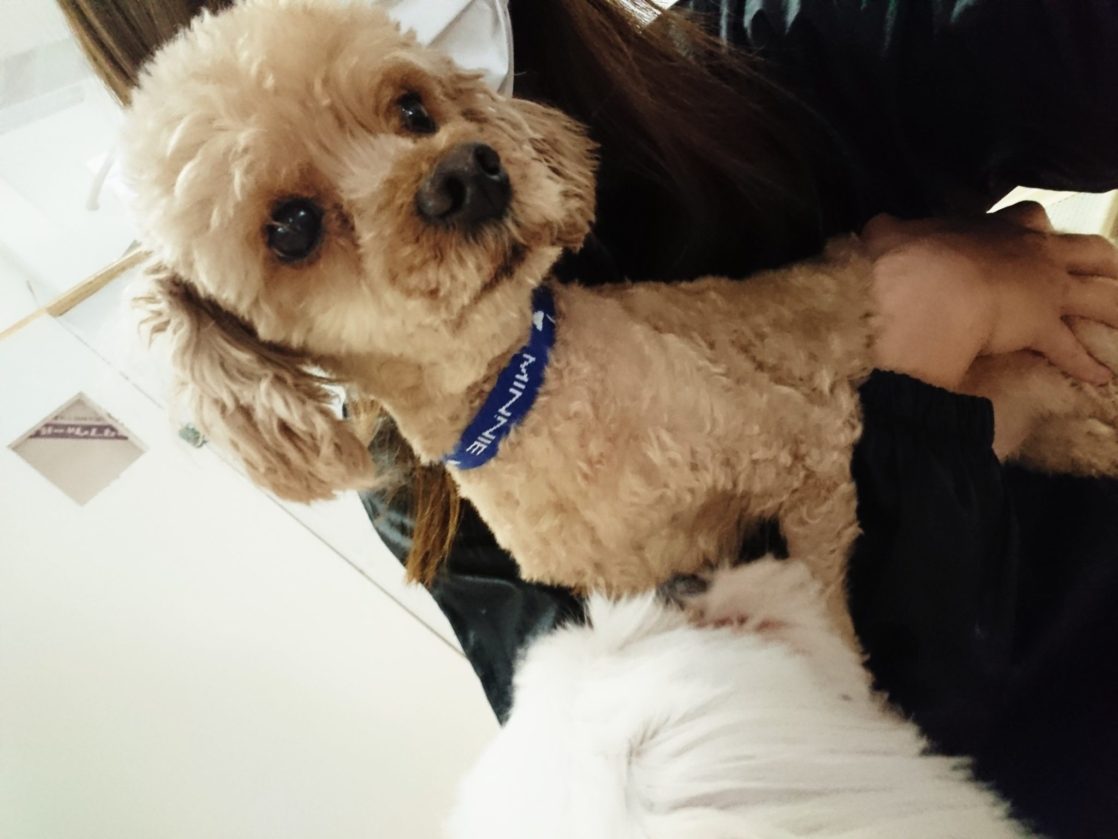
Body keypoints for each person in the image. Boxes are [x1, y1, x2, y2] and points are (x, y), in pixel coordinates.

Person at [60, 0, 1118, 835]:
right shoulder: (438, 500)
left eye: (411, 111)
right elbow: (807, 762)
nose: (441, 171)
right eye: (295, 226)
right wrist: (918, 346)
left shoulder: (750, 62)